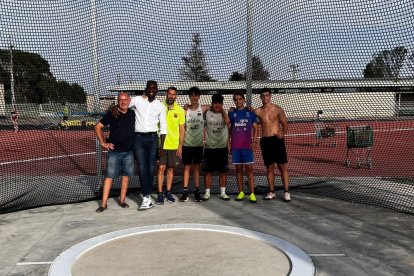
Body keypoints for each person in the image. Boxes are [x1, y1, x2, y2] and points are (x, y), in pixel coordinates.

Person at [129, 80, 167, 210]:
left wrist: (161, 147)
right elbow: (124, 105)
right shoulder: (137, 100)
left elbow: (163, 127)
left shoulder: (160, 106)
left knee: (151, 169)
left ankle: (147, 196)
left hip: (152, 139)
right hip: (138, 138)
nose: (151, 90)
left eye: (154, 88)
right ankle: (146, 197)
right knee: (142, 168)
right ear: (146, 89)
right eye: (150, 88)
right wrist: (114, 107)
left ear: (156, 90)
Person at [95, 92, 135, 212]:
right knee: (109, 177)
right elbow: (97, 127)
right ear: (117, 101)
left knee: (126, 178)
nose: (123, 102)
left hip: (129, 152)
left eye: (125, 99)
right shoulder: (112, 114)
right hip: (114, 152)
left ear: (129, 100)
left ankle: (122, 200)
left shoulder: (133, 113)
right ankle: (103, 204)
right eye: (120, 100)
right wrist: (103, 142)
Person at [255, 88, 291, 202]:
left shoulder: (278, 109)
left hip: (277, 141)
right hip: (265, 141)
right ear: (260, 97)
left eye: (267, 95)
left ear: (270, 96)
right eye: (263, 96)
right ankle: (271, 192)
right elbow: (246, 113)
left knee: (282, 167)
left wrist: (282, 133)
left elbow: (285, 123)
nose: (265, 97)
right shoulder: (258, 111)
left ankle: (286, 192)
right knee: (269, 168)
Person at [179, 86, 210, 202]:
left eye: (196, 95)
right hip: (187, 144)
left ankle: (197, 191)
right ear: (189, 97)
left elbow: (216, 107)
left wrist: (231, 109)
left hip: (198, 145)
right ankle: (185, 191)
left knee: (196, 168)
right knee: (186, 168)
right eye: (192, 95)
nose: (194, 97)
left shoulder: (203, 109)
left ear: (199, 96)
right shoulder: (185, 110)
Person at [156, 87, 185, 205]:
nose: (171, 96)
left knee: (171, 169)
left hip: (173, 145)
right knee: (161, 168)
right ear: (166, 95)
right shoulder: (159, 106)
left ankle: (168, 192)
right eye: (169, 94)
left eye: (173, 94)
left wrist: (180, 145)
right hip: (161, 144)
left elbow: (182, 129)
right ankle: (159, 194)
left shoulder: (180, 110)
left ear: (176, 96)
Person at [229, 92, 258, 203]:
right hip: (236, 147)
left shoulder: (250, 112)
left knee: (249, 169)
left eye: (240, 99)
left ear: (244, 100)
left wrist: (254, 141)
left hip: (247, 146)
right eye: (236, 100)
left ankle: (252, 193)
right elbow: (229, 129)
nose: (238, 101)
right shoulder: (231, 113)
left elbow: (256, 128)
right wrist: (229, 144)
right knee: (238, 169)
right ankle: (241, 192)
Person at [202, 93, 231, 201]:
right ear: (212, 103)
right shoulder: (207, 113)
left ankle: (223, 193)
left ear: (222, 104)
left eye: (219, 103)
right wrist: (210, 107)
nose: (217, 105)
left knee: (222, 172)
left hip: (222, 148)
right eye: (215, 103)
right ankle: (207, 193)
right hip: (210, 147)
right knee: (208, 171)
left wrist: (222, 110)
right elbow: (200, 108)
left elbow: (227, 122)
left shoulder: (225, 114)